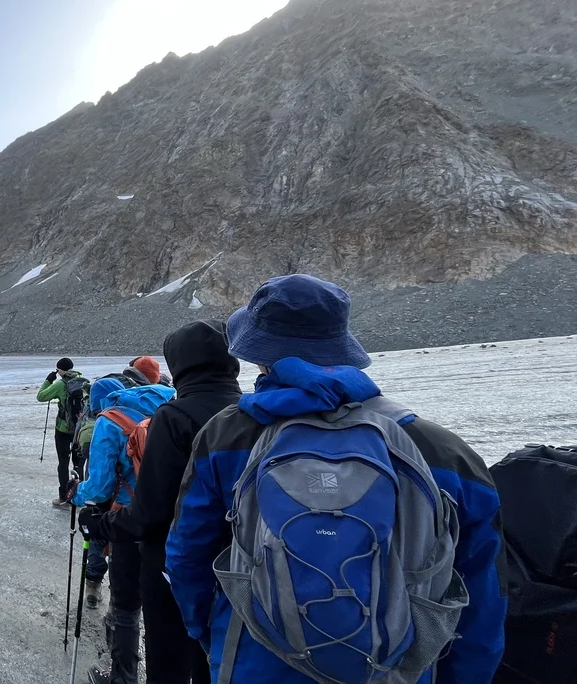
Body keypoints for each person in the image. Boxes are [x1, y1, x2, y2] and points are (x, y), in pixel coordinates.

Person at [166, 274, 507, 683]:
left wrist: (212, 635)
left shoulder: (226, 436)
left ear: (261, 356)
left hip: (254, 661)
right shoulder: (444, 451)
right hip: (393, 671)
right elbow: (482, 593)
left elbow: (186, 556)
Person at [80, 321, 241, 684]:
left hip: (173, 559)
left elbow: (150, 512)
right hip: (237, 559)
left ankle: (123, 674)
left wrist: (99, 524)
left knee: (167, 655)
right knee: (214, 652)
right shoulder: (249, 410)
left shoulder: (175, 417)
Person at [75, 377, 175, 684]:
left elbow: (100, 485)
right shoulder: (168, 406)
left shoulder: (109, 421)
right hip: (172, 515)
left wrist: (76, 493)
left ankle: (123, 675)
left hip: (128, 518)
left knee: (126, 601)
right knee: (161, 599)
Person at [36, 357, 86, 506]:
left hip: (63, 429)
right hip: (80, 429)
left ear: (60, 370)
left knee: (63, 463)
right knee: (78, 464)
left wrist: (48, 381)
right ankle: (79, 495)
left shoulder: (60, 384)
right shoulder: (83, 381)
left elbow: (41, 396)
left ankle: (63, 496)